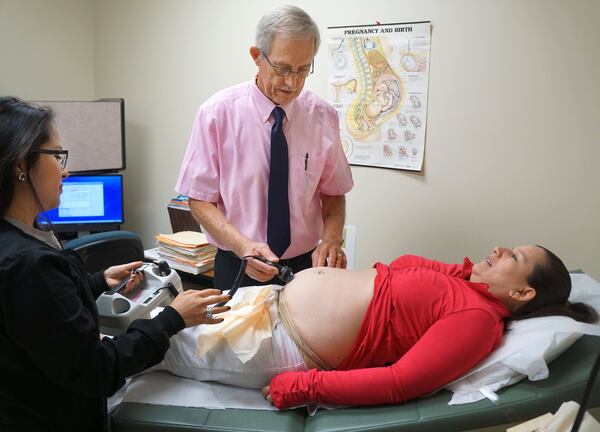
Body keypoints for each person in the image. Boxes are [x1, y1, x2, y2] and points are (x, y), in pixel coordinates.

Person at [0, 97, 231, 432]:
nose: (65, 170)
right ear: (22, 164)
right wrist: (172, 319)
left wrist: (96, 282)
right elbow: (96, 370)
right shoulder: (27, 264)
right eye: (57, 155)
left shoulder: (22, 235)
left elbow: (43, 317)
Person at [151, 244, 598, 409]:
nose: (499, 249)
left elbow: (401, 383)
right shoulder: (464, 285)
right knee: (149, 315)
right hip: (267, 303)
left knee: (145, 346)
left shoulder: (477, 322)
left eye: (514, 259)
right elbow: (399, 276)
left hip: (277, 342)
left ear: (521, 294)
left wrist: (307, 387)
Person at [175, 5, 354, 291]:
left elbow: (333, 193)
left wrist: (332, 240)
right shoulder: (217, 114)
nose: (292, 82)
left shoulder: (322, 116)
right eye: (282, 68)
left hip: (305, 266)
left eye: (303, 70)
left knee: (302, 338)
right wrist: (242, 245)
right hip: (238, 261)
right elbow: (199, 199)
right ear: (257, 57)